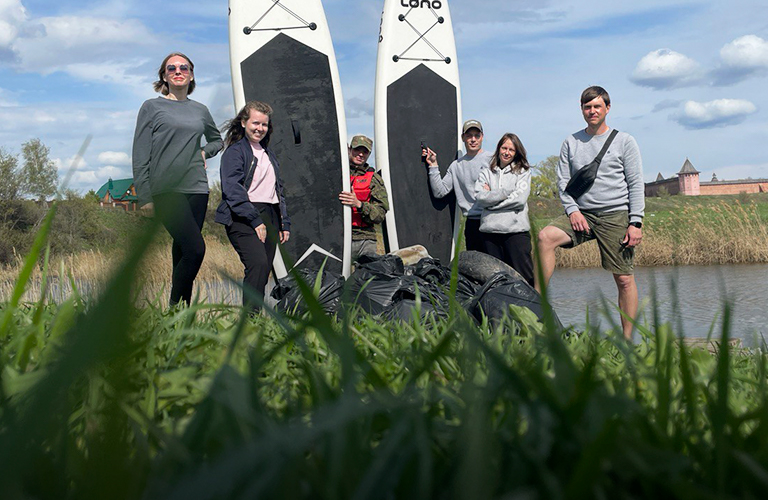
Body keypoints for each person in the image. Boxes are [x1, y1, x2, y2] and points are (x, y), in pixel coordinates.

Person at [536, 86, 644, 340]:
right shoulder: (571, 142)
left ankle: (627, 340)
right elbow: (563, 182)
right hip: (582, 214)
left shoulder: (625, 141)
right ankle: (536, 307)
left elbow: (636, 183)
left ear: (607, 108)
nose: (592, 111)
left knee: (624, 279)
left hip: (615, 214)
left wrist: (635, 222)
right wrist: (573, 210)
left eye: (597, 106)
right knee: (545, 237)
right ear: (582, 110)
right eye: (587, 107)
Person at [132, 52, 223, 306]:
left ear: (191, 75)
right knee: (196, 249)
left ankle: (180, 317)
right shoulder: (151, 107)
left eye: (184, 67)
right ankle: (175, 307)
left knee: (183, 251)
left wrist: (204, 151)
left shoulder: (200, 110)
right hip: (166, 189)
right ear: (164, 76)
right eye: (171, 68)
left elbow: (217, 140)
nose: (178, 71)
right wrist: (144, 196)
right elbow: (140, 154)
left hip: (197, 188)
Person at [215, 101, 290, 309]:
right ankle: (249, 319)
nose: (260, 128)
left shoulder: (268, 153)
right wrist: (255, 220)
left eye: (264, 124)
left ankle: (255, 318)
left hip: (270, 214)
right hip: (243, 216)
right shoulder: (235, 152)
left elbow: (278, 190)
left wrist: (284, 222)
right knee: (257, 263)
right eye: (255, 123)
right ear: (243, 123)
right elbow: (232, 189)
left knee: (263, 271)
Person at [421, 119, 493, 252]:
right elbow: (440, 192)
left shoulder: (493, 159)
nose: (473, 139)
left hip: (493, 220)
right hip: (472, 225)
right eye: (469, 136)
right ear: (463, 138)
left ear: (482, 137)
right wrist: (433, 165)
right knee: (475, 263)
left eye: (477, 136)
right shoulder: (456, 166)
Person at [473, 133, 534, 286]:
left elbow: (519, 199)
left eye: (511, 150)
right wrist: (505, 192)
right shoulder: (486, 172)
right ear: (498, 149)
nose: (507, 152)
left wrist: (491, 204)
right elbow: (480, 197)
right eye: (504, 148)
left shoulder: (523, 171)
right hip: (489, 234)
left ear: (516, 152)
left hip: (516, 233)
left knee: (525, 280)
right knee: (495, 281)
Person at [338, 135, 388, 260]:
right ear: (349, 149)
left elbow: (380, 215)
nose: (361, 154)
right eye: (357, 150)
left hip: (365, 240)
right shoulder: (336, 174)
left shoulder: (374, 179)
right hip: (338, 238)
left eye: (365, 152)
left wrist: (359, 205)